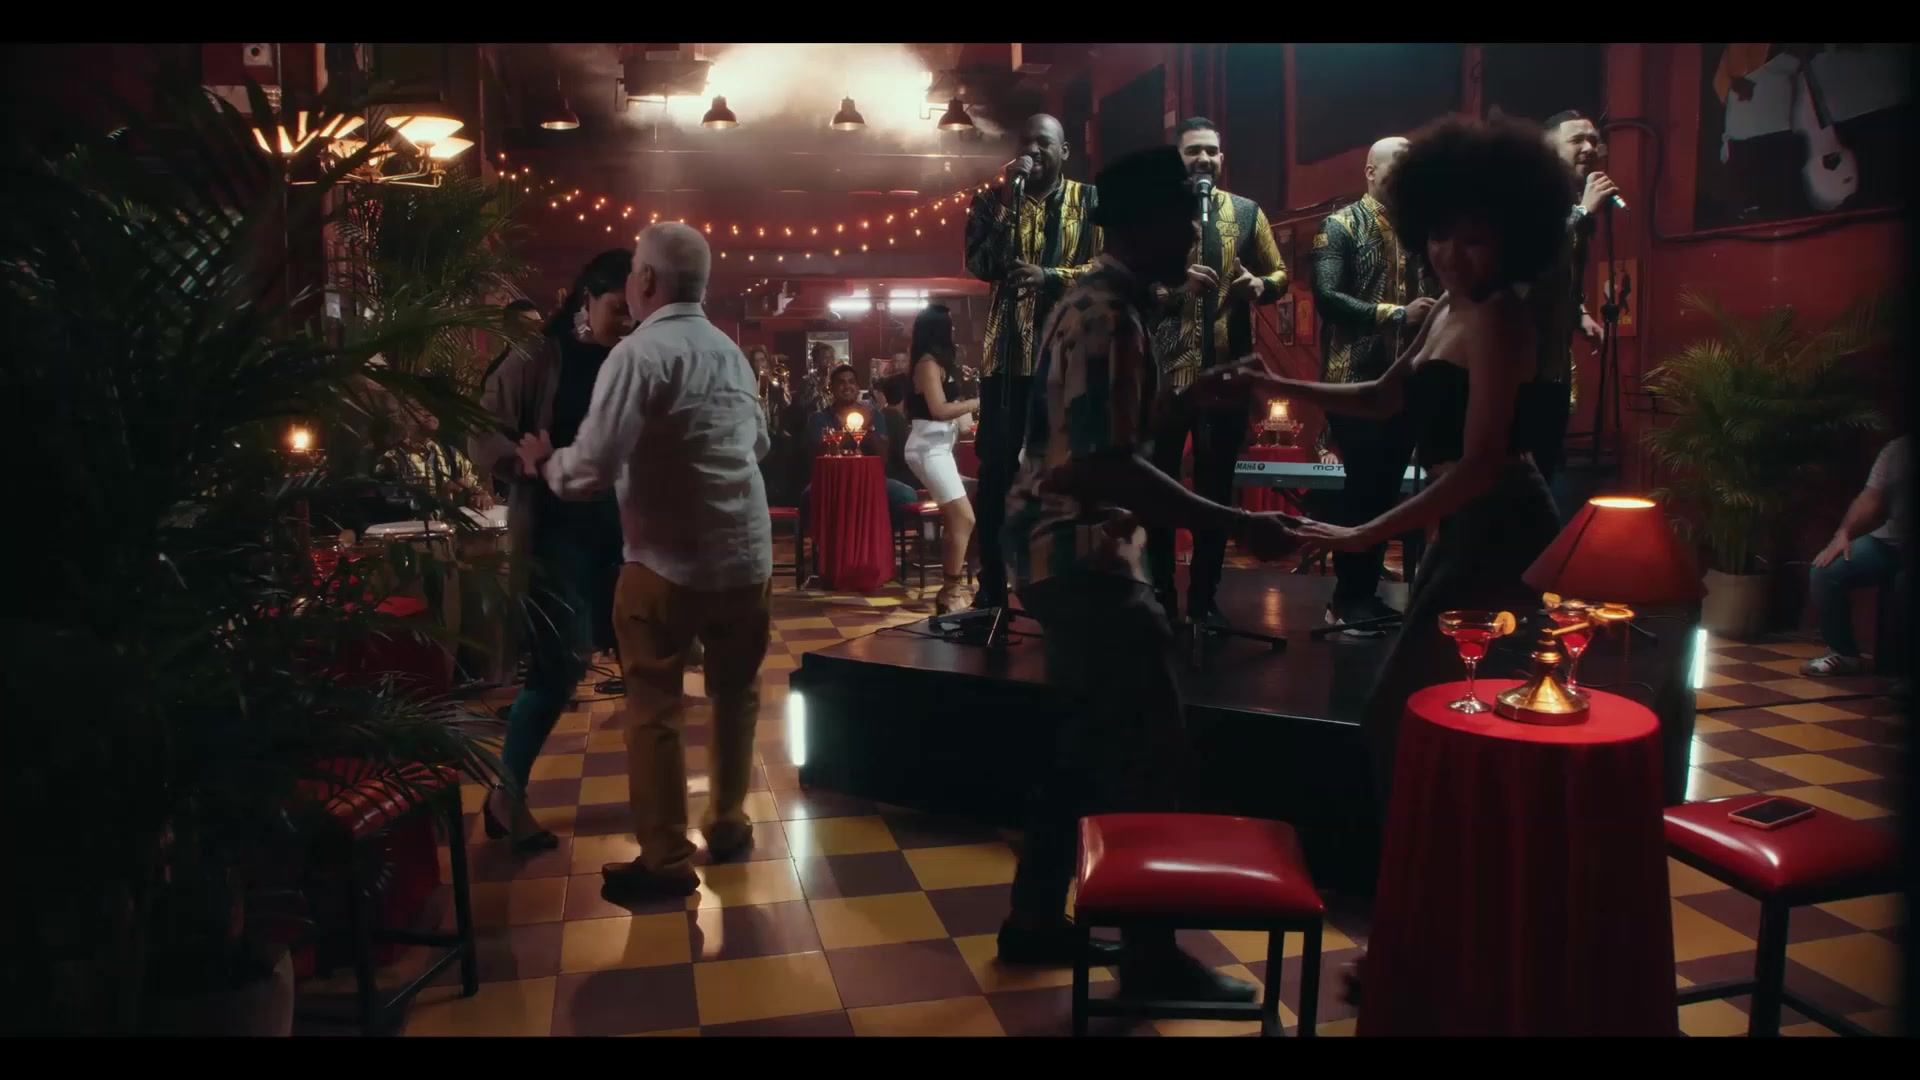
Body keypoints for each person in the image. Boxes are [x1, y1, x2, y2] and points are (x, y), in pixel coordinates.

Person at [998, 145, 1297, 1000]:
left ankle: (1032, 922)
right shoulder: (1109, 315)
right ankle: (1152, 959)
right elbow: (1104, 467)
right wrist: (1236, 521)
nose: (1197, 234)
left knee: (1080, 746)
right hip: (1084, 555)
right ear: (1146, 226)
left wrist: (1188, 401)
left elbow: (1105, 430)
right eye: (1183, 218)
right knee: (1152, 758)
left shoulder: (1096, 304)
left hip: (1053, 550)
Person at [1207, 118, 1571, 815]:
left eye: (1473, 238)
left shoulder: (1500, 318)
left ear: (1511, 238)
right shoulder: (1450, 307)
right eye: (1439, 235)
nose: (1451, 254)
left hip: (1500, 522)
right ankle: (1423, 852)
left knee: (1413, 706)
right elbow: (1382, 396)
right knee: (1423, 707)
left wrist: (1363, 534)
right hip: (1464, 522)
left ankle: (1429, 856)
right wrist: (1273, 383)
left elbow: (1482, 464)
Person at [517, 223, 772, 898]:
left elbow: (591, 468)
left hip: (665, 561)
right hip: (747, 557)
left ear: (648, 281)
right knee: (735, 695)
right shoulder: (730, 352)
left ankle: (664, 859)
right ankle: (728, 823)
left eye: (633, 270)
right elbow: (759, 445)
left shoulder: (639, 353)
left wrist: (546, 464)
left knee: (654, 707)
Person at [469, 250, 632, 852]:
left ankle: (659, 811)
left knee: (644, 659)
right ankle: (506, 795)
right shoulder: (539, 355)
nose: (627, 321)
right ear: (587, 298)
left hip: (622, 531)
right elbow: (481, 426)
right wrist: (522, 462)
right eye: (617, 309)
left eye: (634, 311)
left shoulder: (629, 356)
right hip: (557, 533)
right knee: (556, 667)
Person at [1145, 117, 1291, 626]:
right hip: (1163, 379)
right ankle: (1160, 595)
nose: (1204, 159)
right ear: (1177, 159)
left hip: (1227, 377)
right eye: (1193, 151)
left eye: (1211, 150)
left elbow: (1280, 274)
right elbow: (1129, 285)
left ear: (1222, 159)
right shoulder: (1155, 214)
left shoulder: (1247, 213)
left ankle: (1205, 598)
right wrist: (1172, 290)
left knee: (1216, 492)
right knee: (1158, 490)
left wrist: (1260, 286)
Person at [965, 113, 1102, 613]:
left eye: (1043, 143)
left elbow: (1108, 267)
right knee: (997, 469)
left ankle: (1069, 578)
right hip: (1006, 358)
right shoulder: (991, 200)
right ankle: (992, 585)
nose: (1032, 150)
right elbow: (980, 265)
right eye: (1025, 142)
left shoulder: (1091, 201)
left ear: (1064, 151)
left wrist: (1051, 276)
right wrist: (1008, 203)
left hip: (1071, 356)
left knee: (1071, 467)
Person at [1311, 136, 1438, 636]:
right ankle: (1346, 599)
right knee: (1363, 490)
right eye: (1399, 164)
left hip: (1410, 379)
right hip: (1354, 381)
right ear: (1370, 171)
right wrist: (1395, 313)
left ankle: (1364, 595)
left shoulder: (1421, 231)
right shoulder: (1340, 225)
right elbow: (1327, 297)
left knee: (1386, 492)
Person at [1532, 109, 1619, 487]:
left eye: (1594, 141)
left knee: (1546, 467)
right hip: (1518, 365)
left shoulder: (1569, 202)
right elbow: (1530, 263)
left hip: (1553, 363)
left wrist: (1579, 311)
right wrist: (1583, 212)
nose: (1589, 148)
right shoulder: (1528, 196)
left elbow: (1560, 272)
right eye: (1576, 140)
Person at [1803, 434, 1908, 676]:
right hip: (1891, 541)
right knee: (1825, 571)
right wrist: (1844, 533)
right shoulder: (1897, 449)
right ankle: (1843, 654)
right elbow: (1870, 496)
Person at [903, 304, 982, 613]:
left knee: (958, 517)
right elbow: (938, 410)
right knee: (964, 517)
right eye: (950, 325)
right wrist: (977, 402)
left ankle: (951, 590)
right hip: (927, 448)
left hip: (939, 447)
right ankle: (950, 591)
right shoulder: (927, 363)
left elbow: (951, 414)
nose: (954, 330)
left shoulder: (939, 363)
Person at [801, 363, 918, 515]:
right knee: (808, 496)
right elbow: (817, 456)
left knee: (906, 495)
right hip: (831, 481)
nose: (847, 386)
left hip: (870, 480)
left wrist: (868, 427)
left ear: (857, 388)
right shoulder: (819, 419)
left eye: (851, 382)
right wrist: (848, 432)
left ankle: (885, 530)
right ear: (831, 388)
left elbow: (883, 458)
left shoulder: (874, 415)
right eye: (841, 382)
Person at [483, 298, 544, 385]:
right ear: (509, 330)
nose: (538, 333)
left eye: (540, 326)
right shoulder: (496, 374)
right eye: (531, 328)